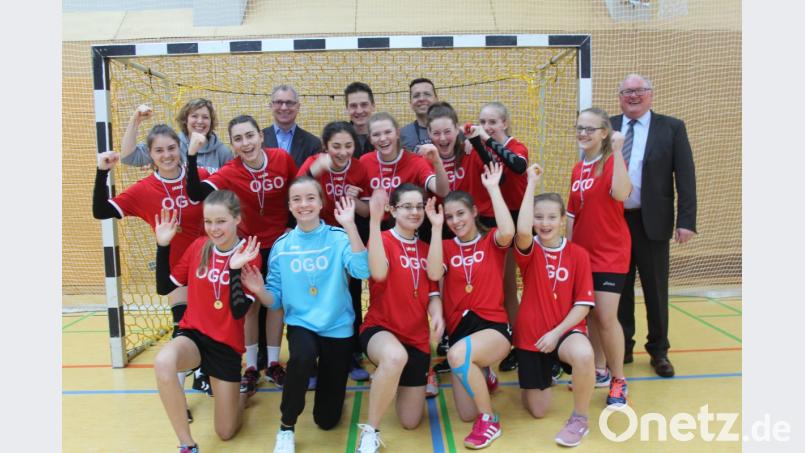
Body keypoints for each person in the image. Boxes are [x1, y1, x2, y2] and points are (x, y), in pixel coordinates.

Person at [239, 176, 370, 453]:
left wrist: (349, 225)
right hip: (302, 324)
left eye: (311, 197)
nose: (304, 204)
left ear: (321, 202)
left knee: (326, 420)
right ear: (289, 206)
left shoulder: (338, 237)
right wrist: (261, 291)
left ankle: (332, 393)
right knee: (301, 356)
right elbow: (275, 301)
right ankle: (286, 427)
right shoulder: (282, 246)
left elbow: (362, 271)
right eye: (296, 199)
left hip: (338, 326)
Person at [93, 123, 207, 421]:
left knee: (211, 328)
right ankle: (179, 396)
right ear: (151, 155)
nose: (167, 155)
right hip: (174, 272)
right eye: (159, 150)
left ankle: (206, 373)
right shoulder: (144, 190)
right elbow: (101, 211)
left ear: (180, 148)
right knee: (182, 329)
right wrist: (102, 172)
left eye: (171, 148)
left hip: (209, 266)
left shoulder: (202, 177)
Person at [186, 115, 298, 393]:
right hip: (249, 248)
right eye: (238, 139)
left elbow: (296, 193)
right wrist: (191, 155)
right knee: (250, 305)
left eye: (249, 136)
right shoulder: (229, 170)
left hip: (280, 244)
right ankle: (250, 366)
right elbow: (195, 192)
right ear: (233, 144)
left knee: (276, 302)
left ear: (261, 136)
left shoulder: (282, 159)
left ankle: (273, 364)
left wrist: (292, 229)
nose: (245, 143)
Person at [152, 191, 262, 453]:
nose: (214, 228)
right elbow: (164, 286)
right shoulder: (198, 246)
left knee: (225, 432)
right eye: (208, 221)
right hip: (194, 336)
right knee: (163, 362)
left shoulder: (249, 253)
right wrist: (162, 245)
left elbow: (239, 312)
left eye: (221, 221)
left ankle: (243, 395)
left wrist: (235, 269)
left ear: (236, 219)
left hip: (226, 346)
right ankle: (187, 445)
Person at [425, 162, 514, 450]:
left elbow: (509, 231)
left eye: (461, 213)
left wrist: (492, 189)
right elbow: (435, 274)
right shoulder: (447, 247)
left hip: (493, 328)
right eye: (449, 216)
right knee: (465, 414)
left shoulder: (491, 242)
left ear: (474, 212)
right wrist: (437, 229)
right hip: (461, 332)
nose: (455, 220)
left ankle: (489, 421)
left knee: (458, 355)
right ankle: (484, 374)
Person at [613, 74, 697, 378]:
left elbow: (685, 176)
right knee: (617, 290)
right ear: (619, 96)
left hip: (653, 222)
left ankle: (659, 350)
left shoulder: (672, 127)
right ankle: (621, 347)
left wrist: (686, 221)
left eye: (639, 91)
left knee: (655, 290)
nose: (633, 96)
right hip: (613, 223)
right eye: (627, 91)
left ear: (650, 94)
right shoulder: (606, 126)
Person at [355, 186, 445, 452]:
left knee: (410, 421)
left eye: (419, 206)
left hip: (416, 340)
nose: (415, 212)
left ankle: (388, 377)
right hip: (381, 329)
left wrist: (437, 314)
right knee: (394, 357)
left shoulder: (428, 247)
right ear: (392, 210)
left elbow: (433, 289)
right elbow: (379, 274)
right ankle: (370, 432)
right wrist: (372, 219)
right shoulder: (381, 238)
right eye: (407, 206)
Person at [513, 164, 596, 448]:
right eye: (539, 217)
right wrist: (531, 184)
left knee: (585, 355)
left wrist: (557, 332)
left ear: (562, 220)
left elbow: (583, 306)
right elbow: (522, 230)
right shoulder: (529, 249)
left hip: (564, 331)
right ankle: (544, 375)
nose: (544, 223)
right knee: (537, 411)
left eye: (551, 217)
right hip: (532, 336)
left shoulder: (578, 254)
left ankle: (579, 419)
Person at [566, 107, 632, 406]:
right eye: (580, 127)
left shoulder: (611, 162)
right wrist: (567, 251)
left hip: (610, 252)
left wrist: (617, 152)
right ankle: (599, 370)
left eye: (590, 128)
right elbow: (572, 214)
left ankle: (619, 380)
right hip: (582, 253)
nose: (583, 133)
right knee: (590, 313)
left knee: (606, 316)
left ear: (604, 133)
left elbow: (621, 194)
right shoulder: (578, 169)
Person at [297, 121, 372, 382]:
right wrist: (313, 172)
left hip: (346, 237)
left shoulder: (361, 168)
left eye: (348, 145)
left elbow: (370, 210)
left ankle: (351, 352)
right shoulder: (313, 163)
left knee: (350, 292)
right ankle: (313, 354)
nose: (342, 151)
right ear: (326, 146)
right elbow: (295, 195)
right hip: (317, 239)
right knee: (316, 293)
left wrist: (356, 201)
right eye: (336, 146)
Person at [466, 102, 529, 374]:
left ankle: (521, 343)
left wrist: (485, 138)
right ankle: (500, 339)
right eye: (483, 121)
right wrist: (477, 143)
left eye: (493, 121)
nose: (487, 126)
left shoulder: (517, 146)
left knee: (512, 287)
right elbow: (495, 172)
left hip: (520, 220)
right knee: (494, 286)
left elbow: (515, 167)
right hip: (496, 218)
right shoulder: (485, 146)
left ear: (504, 123)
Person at [359, 112, 450, 214]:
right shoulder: (364, 162)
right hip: (376, 225)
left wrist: (437, 162)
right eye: (376, 134)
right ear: (370, 139)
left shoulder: (416, 161)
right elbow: (365, 211)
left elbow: (442, 192)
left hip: (410, 223)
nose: (383, 139)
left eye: (388, 132)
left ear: (398, 133)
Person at [120, 100, 233, 173]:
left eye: (205, 117)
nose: (200, 121)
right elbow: (128, 157)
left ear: (211, 122)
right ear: (185, 120)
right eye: (194, 116)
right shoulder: (171, 146)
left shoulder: (223, 152)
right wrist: (135, 120)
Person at [262, 84, 322, 167]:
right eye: (279, 102)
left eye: (289, 102)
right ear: (271, 106)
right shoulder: (258, 140)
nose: (284, 108)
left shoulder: (313, 143)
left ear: (298, 107)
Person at [400, 78, 439, 153]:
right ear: (410, 103)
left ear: (436, 99)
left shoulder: (451, 131)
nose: (421, 99)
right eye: (416, 96)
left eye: (427, 94)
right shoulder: (402, 135)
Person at [344, 81, 377, 158]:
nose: (359, 111)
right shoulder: (339, 138)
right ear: (347, 109)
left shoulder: (383, 137)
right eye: (353, 106)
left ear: (373, 106)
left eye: (364, 104)